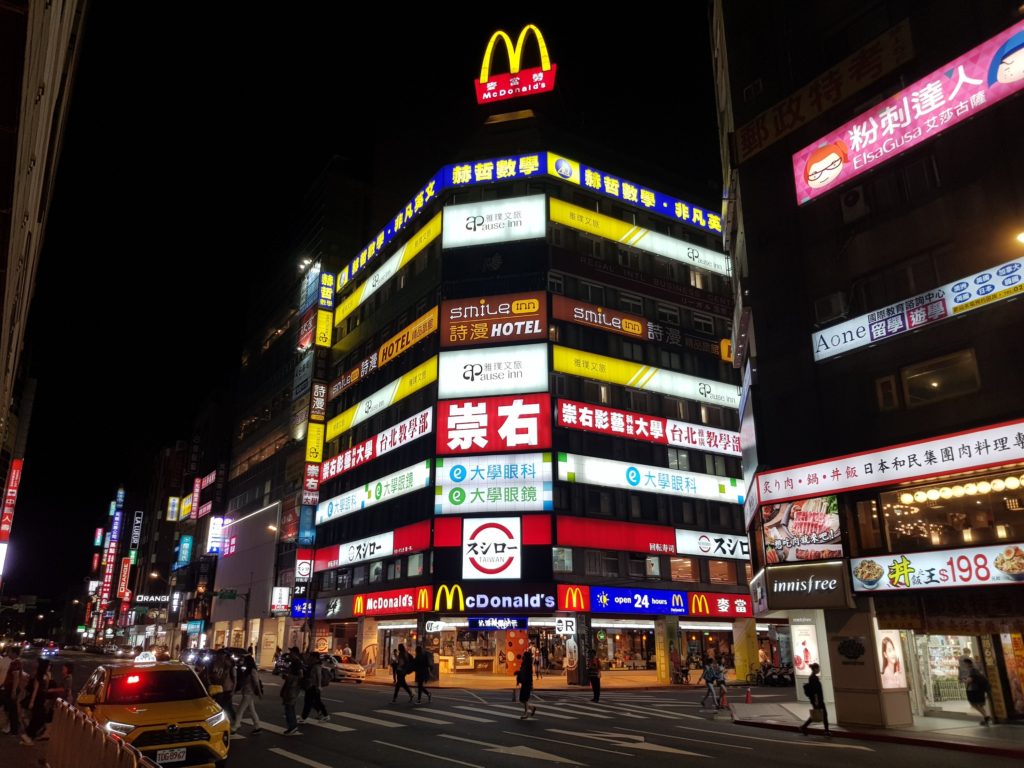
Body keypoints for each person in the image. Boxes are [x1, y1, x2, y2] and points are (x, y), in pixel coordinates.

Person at [20, 659, 52, 746]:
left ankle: (28, 736)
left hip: (42, 699)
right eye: (48, 665)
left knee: (40, 718)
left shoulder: (47, 675)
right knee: (38, 718)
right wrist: (32, 702)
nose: (50, 667)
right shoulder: (39, 676)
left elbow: (46, 688)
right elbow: (35, 690)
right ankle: (27, 735)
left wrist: (48, 676)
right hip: (37, 699)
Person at [207, 649, 237, 731]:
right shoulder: (215, 663)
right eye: (219, 655)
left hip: (227, 688)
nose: (220, 657)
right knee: (222, 706)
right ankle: (233, 720)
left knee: (225, 706)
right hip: (218, 688)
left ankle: (232, 721)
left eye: (222, 655)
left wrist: (233, 690)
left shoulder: (230, 666)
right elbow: (211, 674)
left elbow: (234, 679)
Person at [800, 663, 831, 736]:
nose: (819, 669)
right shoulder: (813, 678)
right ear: (815, 669)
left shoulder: (812, 677)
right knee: (823, 714)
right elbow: (815, 691)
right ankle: (826, 731)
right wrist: (817, 701)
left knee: (818, 714)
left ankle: (804, 727)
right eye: (818, 668)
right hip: (817, 700)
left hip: (816, 700)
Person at [234, 653, 263, 733]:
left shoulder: (252, 670)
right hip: (246, 692)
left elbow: (256, 682)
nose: (243, 662)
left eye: (244, 660)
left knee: (240, 710)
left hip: (249, 693)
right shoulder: (247, 670)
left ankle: (235, 726)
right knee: (251, 710)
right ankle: (257, 726)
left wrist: (259, 693)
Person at [299, 653, 329, 722]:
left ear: (315, 658)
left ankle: (303, 718)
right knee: (316, 702)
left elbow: (319, 676)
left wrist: (319, 686)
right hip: (311, 686)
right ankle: (325, 715)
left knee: (308, 702)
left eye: (311, 657)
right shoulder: (312, 665)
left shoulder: (317, 666)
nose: (310, 658)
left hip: (313, 686)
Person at [1, 646, 24, 736]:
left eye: (10, 652)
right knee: (11, 709)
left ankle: (14, 728)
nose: (8, 653)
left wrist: (14, 690)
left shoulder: (16, 663)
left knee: (12, 709)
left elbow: (16, 678)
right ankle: (14, 727)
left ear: (14, 653)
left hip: (10, 689)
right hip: (8, 688)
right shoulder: (15, 662)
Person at [280, 647, 303, 735]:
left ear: (295, 653)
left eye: (291, 652)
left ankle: (292, 727)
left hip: (292, 688)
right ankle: (293, 726)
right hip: (292, 687)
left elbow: (300, 675)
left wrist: (288, 677)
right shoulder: (295, 662)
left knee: (289, 707)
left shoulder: (297, 662)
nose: (290, 654)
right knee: (290, 707)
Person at [962, 658, 992, 726]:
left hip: (975, 690)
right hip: (976, 689)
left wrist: (964, 681)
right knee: (977, 704)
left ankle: (986, 717)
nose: (963, 665)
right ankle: (986, 717)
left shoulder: (972, 670)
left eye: (964, 663)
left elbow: (970, 680)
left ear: (967, 663)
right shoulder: (973, 670)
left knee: (974, 704)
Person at [518, 648, 536, 719]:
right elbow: (521, 673)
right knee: (522, 699)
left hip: (527, 684)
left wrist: (531, 685)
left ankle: (526, 713)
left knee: (524, 699)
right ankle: (532, 708)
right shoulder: (524, 664)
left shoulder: (528, 666)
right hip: (524, 683)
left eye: (524, 656)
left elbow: (529, 676)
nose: (523, 657)